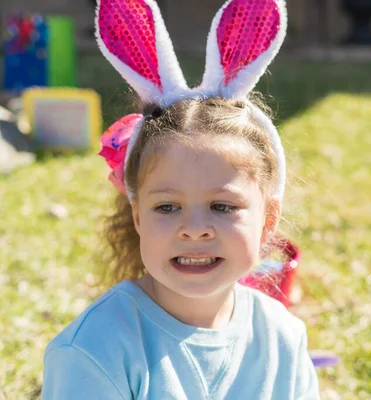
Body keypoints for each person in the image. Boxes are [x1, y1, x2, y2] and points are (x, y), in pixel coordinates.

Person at [42, 0, 320, 398]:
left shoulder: (282, 338)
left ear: (268, 219)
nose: (193, 230)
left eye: (222, 206)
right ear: (137, 215)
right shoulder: (93, 353)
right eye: (167, 207)